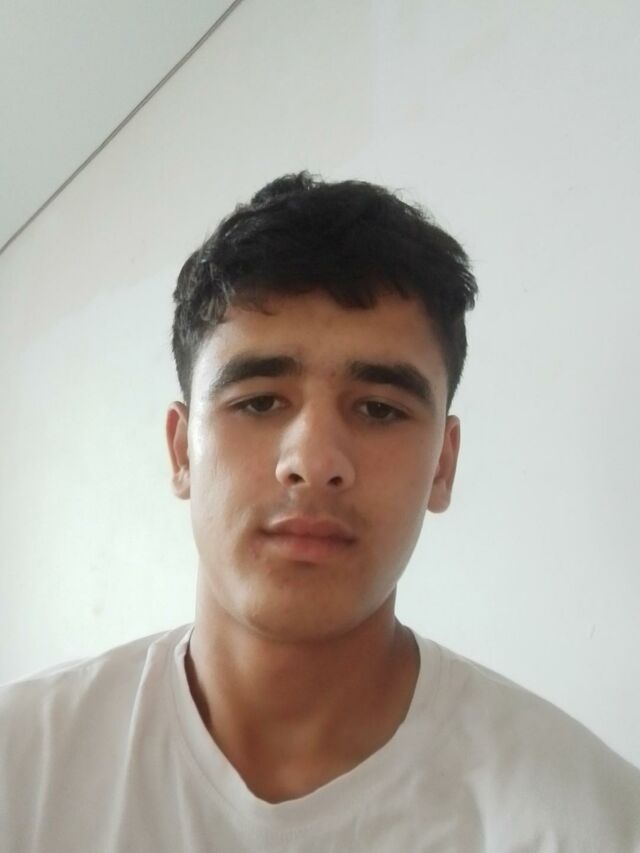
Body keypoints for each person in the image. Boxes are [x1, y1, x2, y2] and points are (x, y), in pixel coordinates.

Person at [1, 172, 638, 852]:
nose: (312, 459)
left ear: (443, 465)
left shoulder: (587, 820)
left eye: (379, 409)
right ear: (182, 449)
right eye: (259, 401)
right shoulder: (24, 769)